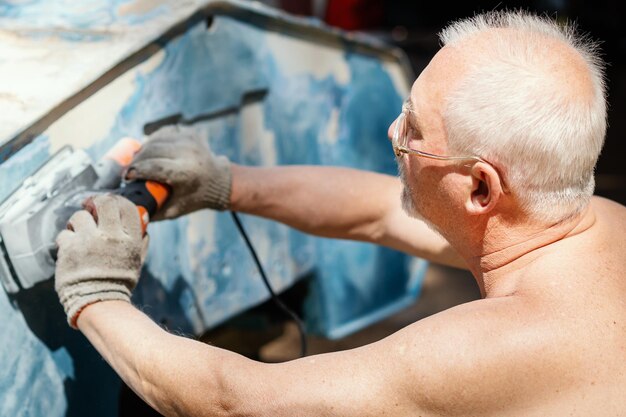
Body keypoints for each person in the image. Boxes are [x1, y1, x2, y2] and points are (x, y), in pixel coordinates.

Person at [54, 10, 626, 416]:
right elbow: (377, 212)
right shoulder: (592, 222)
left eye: (415, 131)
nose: (392, 132)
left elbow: (237, 402)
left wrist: (96, 296)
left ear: (481, 187)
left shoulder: (491, 350)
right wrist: (225, 182)